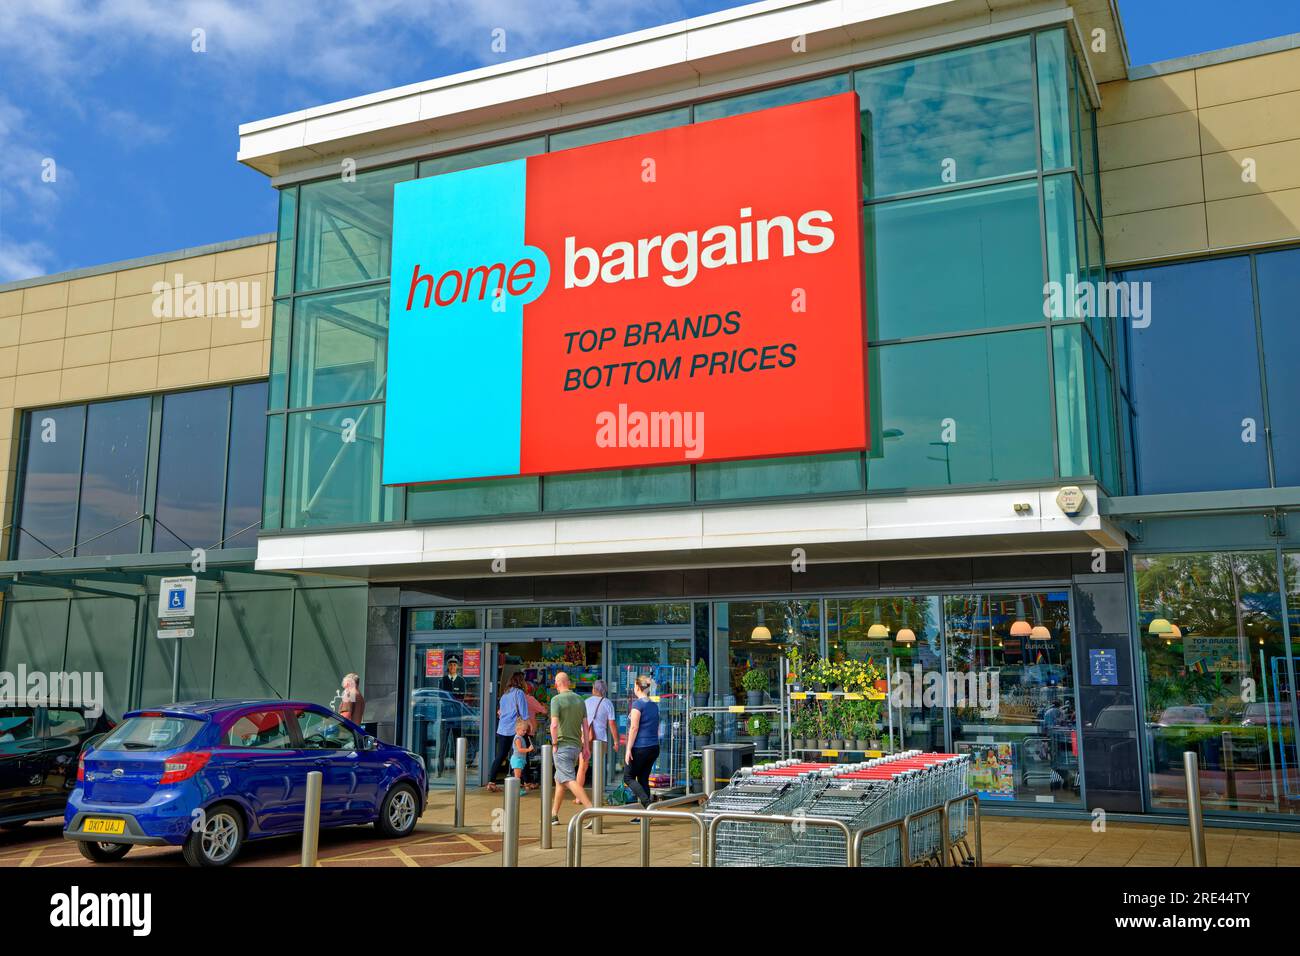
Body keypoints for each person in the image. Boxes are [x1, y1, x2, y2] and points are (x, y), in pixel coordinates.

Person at [548, 671, 593, 825]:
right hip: (576, 747)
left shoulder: (556, 700)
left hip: (561, 746)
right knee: (560, 780)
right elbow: (585, 726)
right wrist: (586, 747)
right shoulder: (580, 700)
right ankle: (553, 814)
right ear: (569, 683)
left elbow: (554, 725)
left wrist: (554, 744)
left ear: (557, 684)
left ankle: (591, 810)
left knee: (568, 780)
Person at [623, 675, 660, 816]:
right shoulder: (653, 705)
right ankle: (645, 815)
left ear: (637, 687)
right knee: (643, 778)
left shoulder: (638, 705)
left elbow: (634, 728)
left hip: (640, 748)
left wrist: (628, 749)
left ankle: (648, 805)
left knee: (628, 777)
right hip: (653, 747)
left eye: (634, 685)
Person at [488, 673, 530, 792]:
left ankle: (491, 781)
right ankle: (526, 781)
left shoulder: (504, 695)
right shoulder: (519, 693)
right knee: (522, 753)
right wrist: (528, 726)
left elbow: (500, 712)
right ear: (521, 681)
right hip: (515, 729)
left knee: (501, 755)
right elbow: (524, 713)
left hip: (502, 729)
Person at [577, 679, 618, 794]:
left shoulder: (586, 702)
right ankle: (597, 795)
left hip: (585, 737)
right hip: (600, 739)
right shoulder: (607, 703)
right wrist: (616, 741)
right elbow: (612, 724)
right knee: (598, 767)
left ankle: (578, 796)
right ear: (604, 691)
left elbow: (580, 721)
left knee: (582, 767)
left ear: (594, 689)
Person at [435, 657, 467, 776]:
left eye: (455, 665)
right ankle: (440, 771)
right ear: (448, 667)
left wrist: (452, 700)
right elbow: (441, 697)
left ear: (457, 667)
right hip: (446, 717)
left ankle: (459, 771)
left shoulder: (461, 681)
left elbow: (461, 698)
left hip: (457, 717)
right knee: (442, 745)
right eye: (451, 665)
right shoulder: (442, 680)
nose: (453, 667)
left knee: (457, 744)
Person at [509, 718, 534, 789]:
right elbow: (519, 749)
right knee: (517, 778)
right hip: (517, 759)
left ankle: (517, 790)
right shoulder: (517, 738)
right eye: (523, 730)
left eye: (526, 730)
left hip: (520, 759)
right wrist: (528, 749)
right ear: (517, 729)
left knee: (518, 777)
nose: (525, 732)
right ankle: (515, 791)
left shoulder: (521, 737)